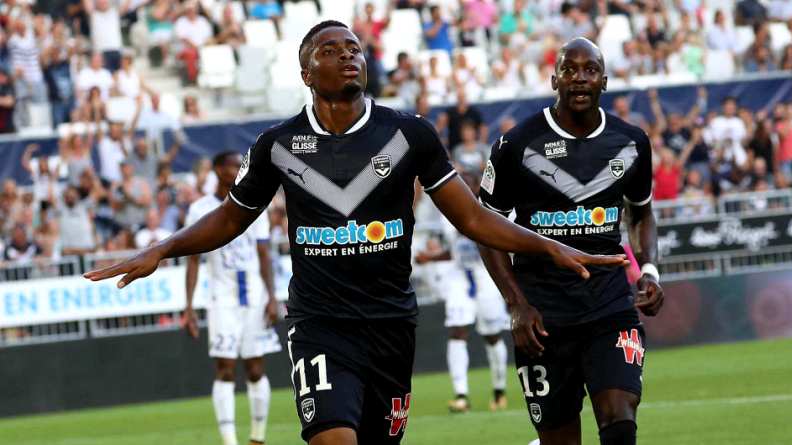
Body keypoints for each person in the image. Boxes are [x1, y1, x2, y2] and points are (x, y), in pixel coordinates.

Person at [84, 22, 626, 445]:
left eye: (354, 48)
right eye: (330, 50)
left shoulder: (409, 134)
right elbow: (230, 218)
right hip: (321, 322)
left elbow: (475, 219)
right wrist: (164, 247)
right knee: (332, 437)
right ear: (306, 73)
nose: (347, 55)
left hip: (392, 322)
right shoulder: (277, 144)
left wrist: (549, 245)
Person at [478, 38, 663, 445]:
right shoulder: (516, 145)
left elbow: (642, 212)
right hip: (542, 316)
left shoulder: (631, 142)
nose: (579, 78)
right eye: (569, 69)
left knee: (620, 420)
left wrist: (648, 270)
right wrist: (516, 305)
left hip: (610, 305)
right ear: (553, 79)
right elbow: (485, 229)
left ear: (605, 81)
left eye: (590, 69)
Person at [184, 151, 281, 445]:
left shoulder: (256, 203)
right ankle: (229, 441)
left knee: (255, 368)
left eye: (239, 165)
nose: (234, 170)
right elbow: (192, 259)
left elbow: (264, 255)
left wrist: (272, 296)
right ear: (215, 169)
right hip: (222, 298)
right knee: (224, 369)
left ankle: (257, 437)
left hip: (254, 296)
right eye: (229, 165)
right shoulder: (200, 208)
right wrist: (188, 306)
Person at [415, 168, 510, 414]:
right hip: (459, 276)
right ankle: (461, 395)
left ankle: (499, 390)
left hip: (485, 275)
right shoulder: (448, 214)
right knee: (457, 330)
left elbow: (488, 237)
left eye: (469, 184)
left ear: (478, 187)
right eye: (462, 184)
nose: (465, 188)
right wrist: (433, 258)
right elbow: (457, 249)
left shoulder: (490, 210)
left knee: (492, 335)